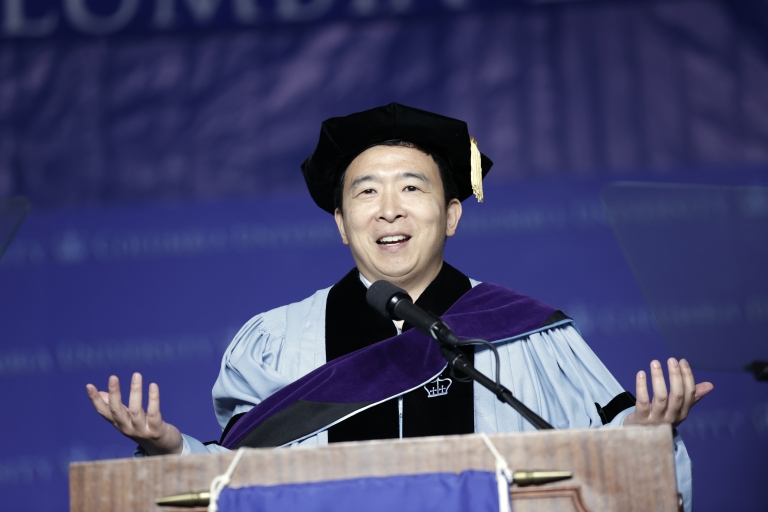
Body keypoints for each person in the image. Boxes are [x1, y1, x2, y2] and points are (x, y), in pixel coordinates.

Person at [86, 103, 712, 510]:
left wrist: (643, 437)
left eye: (413, 188)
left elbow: (598, 466)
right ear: (342, 223)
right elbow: (245, 489)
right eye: (366, 193)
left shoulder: (526, 337)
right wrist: (169, 451)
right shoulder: (279, 342)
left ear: (452, 216)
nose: (389, 208)